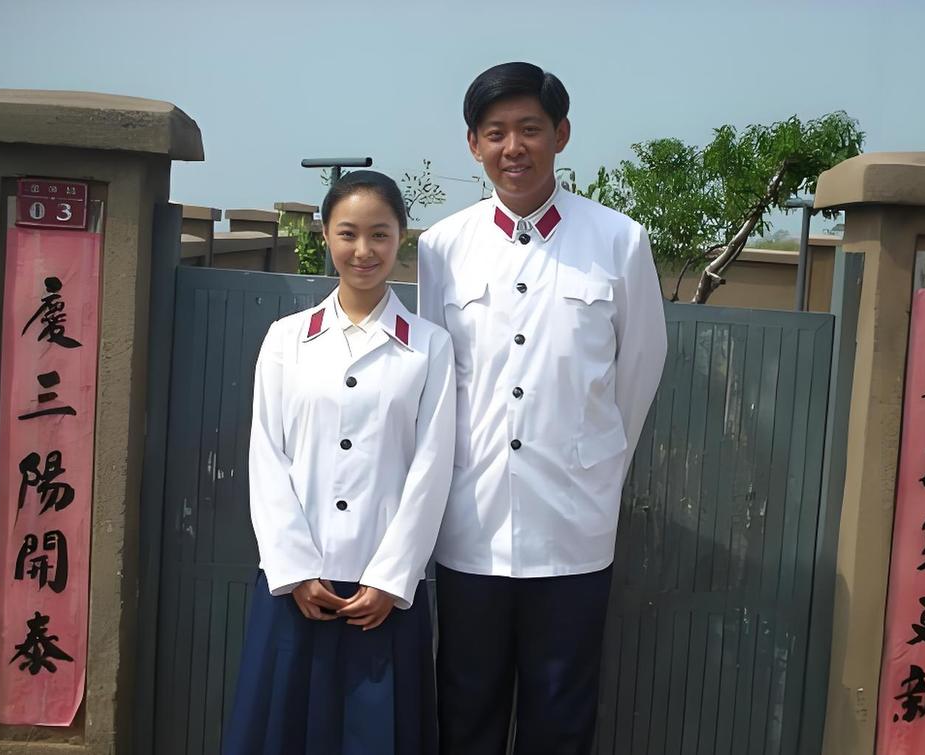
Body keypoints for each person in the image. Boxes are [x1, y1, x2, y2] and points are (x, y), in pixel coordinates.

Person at [417, 62, 668, 754]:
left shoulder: (618, 241)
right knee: (464, 708)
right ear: (473, 144)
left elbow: (638, 369)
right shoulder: (442, 248)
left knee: (561, 716)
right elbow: (434, 382)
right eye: (495, 132)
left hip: (573, 526)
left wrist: (594, 465)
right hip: (471, 522)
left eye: (529, 128)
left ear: (561, 134)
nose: (513, 147)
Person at [224, 171, 455, 755]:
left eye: (380, 234)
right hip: (297, 587)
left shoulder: (429, 346)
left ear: (401, 237)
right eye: (348, 233)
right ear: (325, 234)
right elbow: (266, 455)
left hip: (384, 596)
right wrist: (296, 569)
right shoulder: (286, 340)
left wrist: (391, 580)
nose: (363, 250)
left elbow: (433, 466)